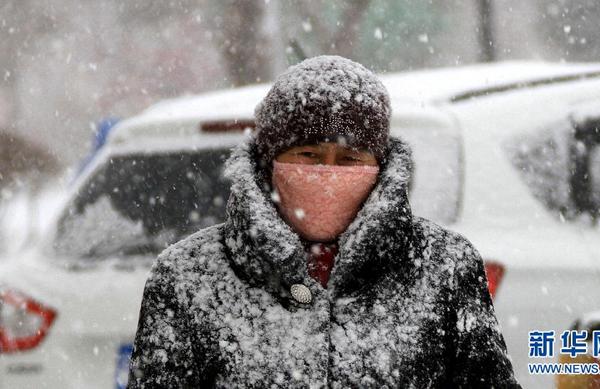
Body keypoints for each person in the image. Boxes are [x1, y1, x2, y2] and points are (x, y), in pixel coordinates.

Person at [127, 55, 521, 388]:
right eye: (308, 155)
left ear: (379, 167)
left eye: (350, 160)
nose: (328, 173)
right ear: (269, 164)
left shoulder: (444, 267)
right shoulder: (187, 276)